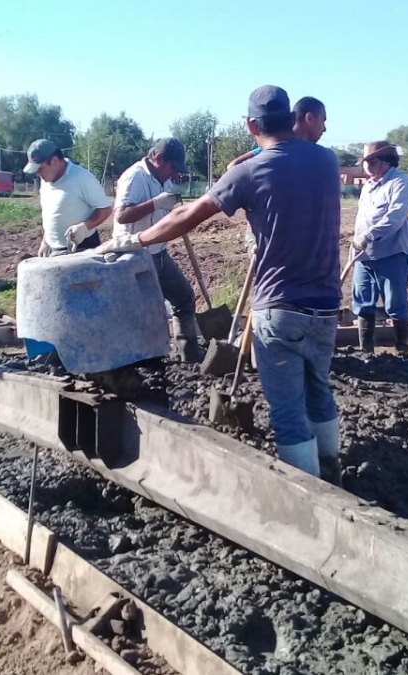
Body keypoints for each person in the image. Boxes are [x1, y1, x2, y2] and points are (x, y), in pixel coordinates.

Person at [100, 85, 344, 485]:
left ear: (250, 124)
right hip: (326, 306)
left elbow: (192, 213)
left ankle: (314, 497)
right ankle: (331, 465)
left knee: (286, 409)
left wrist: (137, 239)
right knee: (318, 389)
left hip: (280, 308)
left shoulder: (249, 171)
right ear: (294, 119)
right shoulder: (326, 161)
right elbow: (283, 156)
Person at [112, 138, 204, 362]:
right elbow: (121, 215)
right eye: (173, 168)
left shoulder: (165, 179)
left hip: (159, 253)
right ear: (159, 159)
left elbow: (167, 211)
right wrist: (155, 204)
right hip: (134, 256)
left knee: (184, 297)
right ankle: (145, 359)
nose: (174, 174)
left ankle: (189, 353)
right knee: (148, 311)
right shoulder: (135, 176)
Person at [350, 141, 408, 355]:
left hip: (392, 253)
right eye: (365, 162)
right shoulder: (368, 186)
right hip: (363, 255)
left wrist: (368, 236)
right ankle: (366, 352)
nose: (367, 166)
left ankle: (402, 351)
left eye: (373, 161)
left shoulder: (400, 182)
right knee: (363, 303)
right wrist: (357, 242)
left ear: (387, 160)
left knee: (395, 304)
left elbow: (395, 218)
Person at [22, 139, 113, 256]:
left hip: (83, 247)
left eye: (40, 169)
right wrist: (46, 241)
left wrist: (85, 227)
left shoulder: (82, 178)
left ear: (54, 161)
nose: (38, 174)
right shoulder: (45, 181)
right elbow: (51, 214)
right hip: (54, 249)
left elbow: (105, 209)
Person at [225, 96, 327, 171]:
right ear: (309, 118)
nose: (324, 128)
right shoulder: (277, 146)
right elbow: (233, 166)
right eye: (323, 120)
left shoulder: (316, 155)